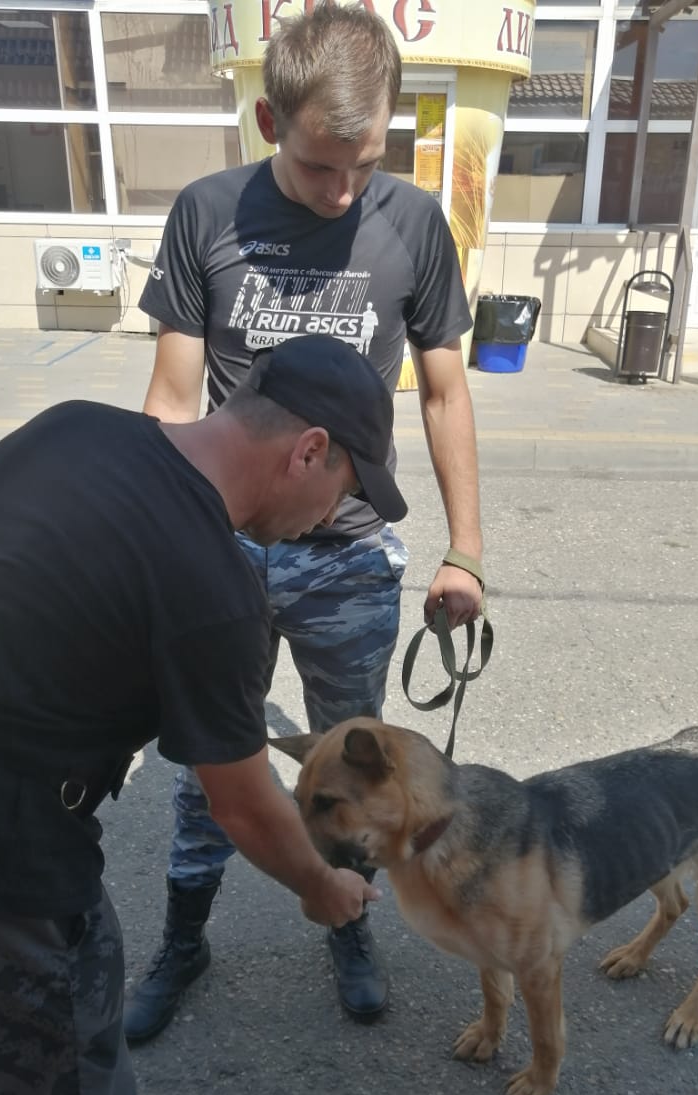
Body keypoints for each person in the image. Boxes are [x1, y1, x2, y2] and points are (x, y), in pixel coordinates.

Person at [0, 335, 403, 1095]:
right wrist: (324, 888)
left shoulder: (72, 430)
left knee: (86, 972)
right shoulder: (214, 585)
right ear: (308, 450)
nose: (328, 518)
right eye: (344, 491)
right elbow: (245, 805)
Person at [128, 0, 485, 1040]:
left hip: (349, 556)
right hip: (225, 544)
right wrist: (161, 547)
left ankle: (348, 923)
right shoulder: (206, 213)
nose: (342, 191)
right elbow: (170, 395)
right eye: (320, 165)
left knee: (352, 760)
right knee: (211, 759)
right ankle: (184, 936)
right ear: (268, 121)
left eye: (363, 164)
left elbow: (445, 393)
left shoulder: (413, 223)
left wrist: (465, 549)